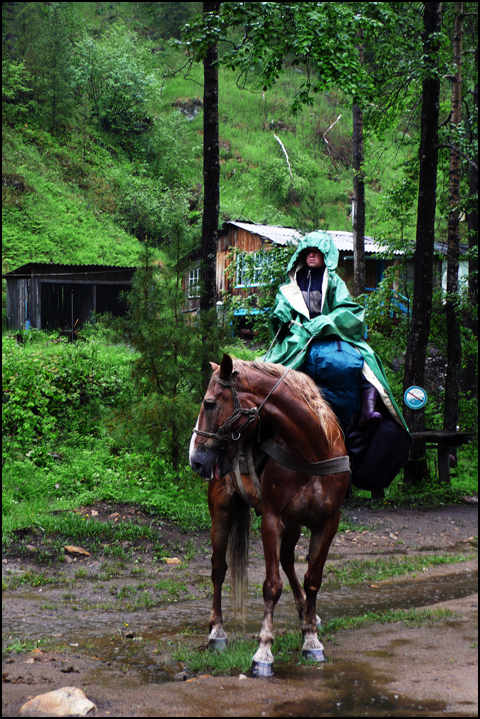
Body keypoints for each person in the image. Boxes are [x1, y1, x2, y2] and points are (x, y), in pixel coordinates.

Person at [265, 231, 411, 493]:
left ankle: (368, 411)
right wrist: (281, 314)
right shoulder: (289, 286)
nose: (311, 255)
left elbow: (351, 312)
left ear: (326, 256)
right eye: (307, 251)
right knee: (262, 375)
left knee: (365, 362)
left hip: (331, 337)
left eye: (316, 252)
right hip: (297, 339)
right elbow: (278, 319)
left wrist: (328, 321)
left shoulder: (334, 282)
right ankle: (259, 442)